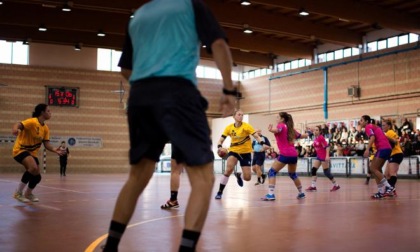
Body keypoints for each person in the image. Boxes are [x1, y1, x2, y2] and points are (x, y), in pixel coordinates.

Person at [102, 1, 236, 251]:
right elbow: (218, 44)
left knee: (138, 176)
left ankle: (111, 245)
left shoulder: (138, 15)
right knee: (203, 177)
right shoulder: (191, 6)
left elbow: (125, 69)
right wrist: (229, 88)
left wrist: (149, 86)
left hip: (140, 96)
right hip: (178, 93)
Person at [12, 104, 63, 203]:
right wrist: (15, 129)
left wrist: (54, 149)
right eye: (48, 111)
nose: (50, 113)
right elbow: (18, 124)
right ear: (42, 112)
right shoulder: (32, 122)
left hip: (32, 154)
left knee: (37, 177)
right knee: (33, 168)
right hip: (20, 150)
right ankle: (18, 193)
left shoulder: (46, 128)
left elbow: (47, 144)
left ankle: (28, 194)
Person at [214, 110, 268, 199]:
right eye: (239, 114)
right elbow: (220, 140)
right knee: (228, 170)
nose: (241, 116)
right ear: (234, 116)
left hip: (246, 153)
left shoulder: (246, 126)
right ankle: (220, 192)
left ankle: (239, 175)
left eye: (242, 115)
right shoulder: (229, 128)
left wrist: (262, 143)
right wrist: (219, 147)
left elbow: (256, 136)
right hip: (233, 151)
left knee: (247, 178)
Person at [262, 112, 308, 201]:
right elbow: (301, 136)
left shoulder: (281, 125)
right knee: (293, 174)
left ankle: (271, 194)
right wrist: (307, 134)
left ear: (282, 119)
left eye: (277, 117)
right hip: (294, 154)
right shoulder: (291, 129)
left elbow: (278, 130)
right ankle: (301, 193)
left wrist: (271, 130)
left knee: (272, 172)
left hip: (285, 154)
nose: (276, 119)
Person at [359, 115, 394, 199]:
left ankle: (389, 186)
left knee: (372, 168)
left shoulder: (368, 127)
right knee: (376, 170)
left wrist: (367, 149)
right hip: (386, 148)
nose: (360, 122)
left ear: (366, 121)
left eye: (361, 120)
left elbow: (372, 137)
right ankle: (381, 191)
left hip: (383, 148)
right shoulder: (374, 126)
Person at [306, 125, 340, 192]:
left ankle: (336, 185)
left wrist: (327, 156)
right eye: (314, 130)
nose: (315, 131)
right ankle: (313, 186)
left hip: (323, 157)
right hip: (319, 156)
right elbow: (313, 130)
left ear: (320, 132)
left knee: (326, 172)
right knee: (313, 170)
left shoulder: (321, 138)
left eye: (317, 130)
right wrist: (310, 128)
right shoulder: (315, 138)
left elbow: (327, 147)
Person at [382, 119, 403, 196]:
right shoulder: (387, 133)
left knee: (392, 173)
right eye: (382, 125)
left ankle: (389, 190)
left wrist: (385, 136)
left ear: (389, 126)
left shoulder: (390, 132)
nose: (382, 127)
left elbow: (395, 141)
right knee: (386, 174)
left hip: (396, 154)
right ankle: (392, 190)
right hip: (392, 154)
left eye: (384, 125)